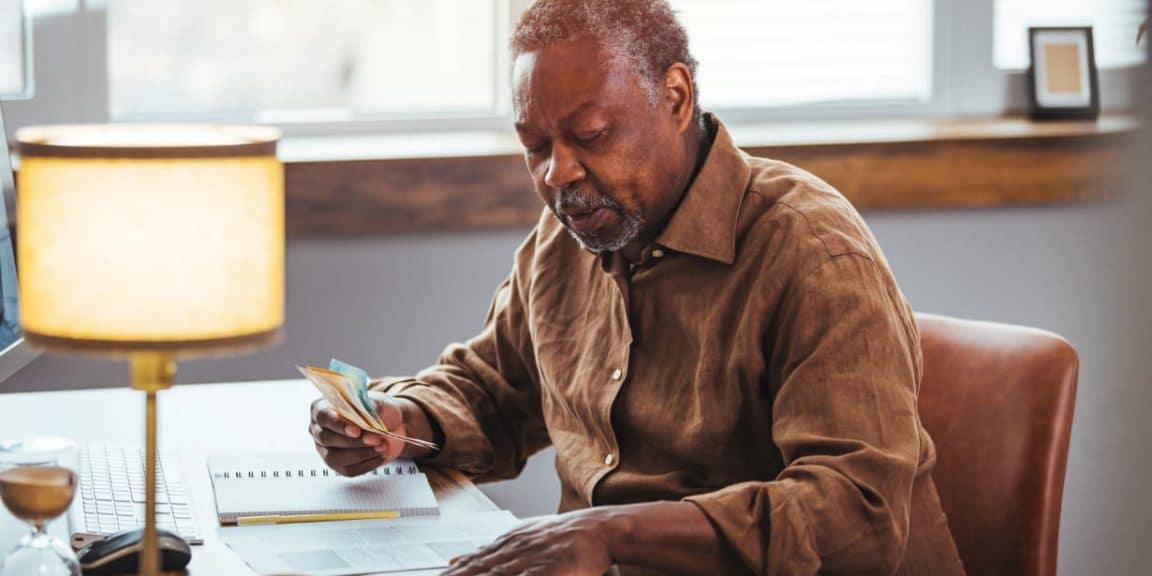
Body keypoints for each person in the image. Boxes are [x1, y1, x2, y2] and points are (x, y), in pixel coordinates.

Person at [309, 1, 966, 574]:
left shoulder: (809, 250)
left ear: (675, 98)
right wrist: (399, 423)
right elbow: (493, 391)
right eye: (535, 145)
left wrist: (613, 535)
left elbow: (858, 518)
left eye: (591, 135)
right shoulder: (564, 238)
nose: (558, 173)